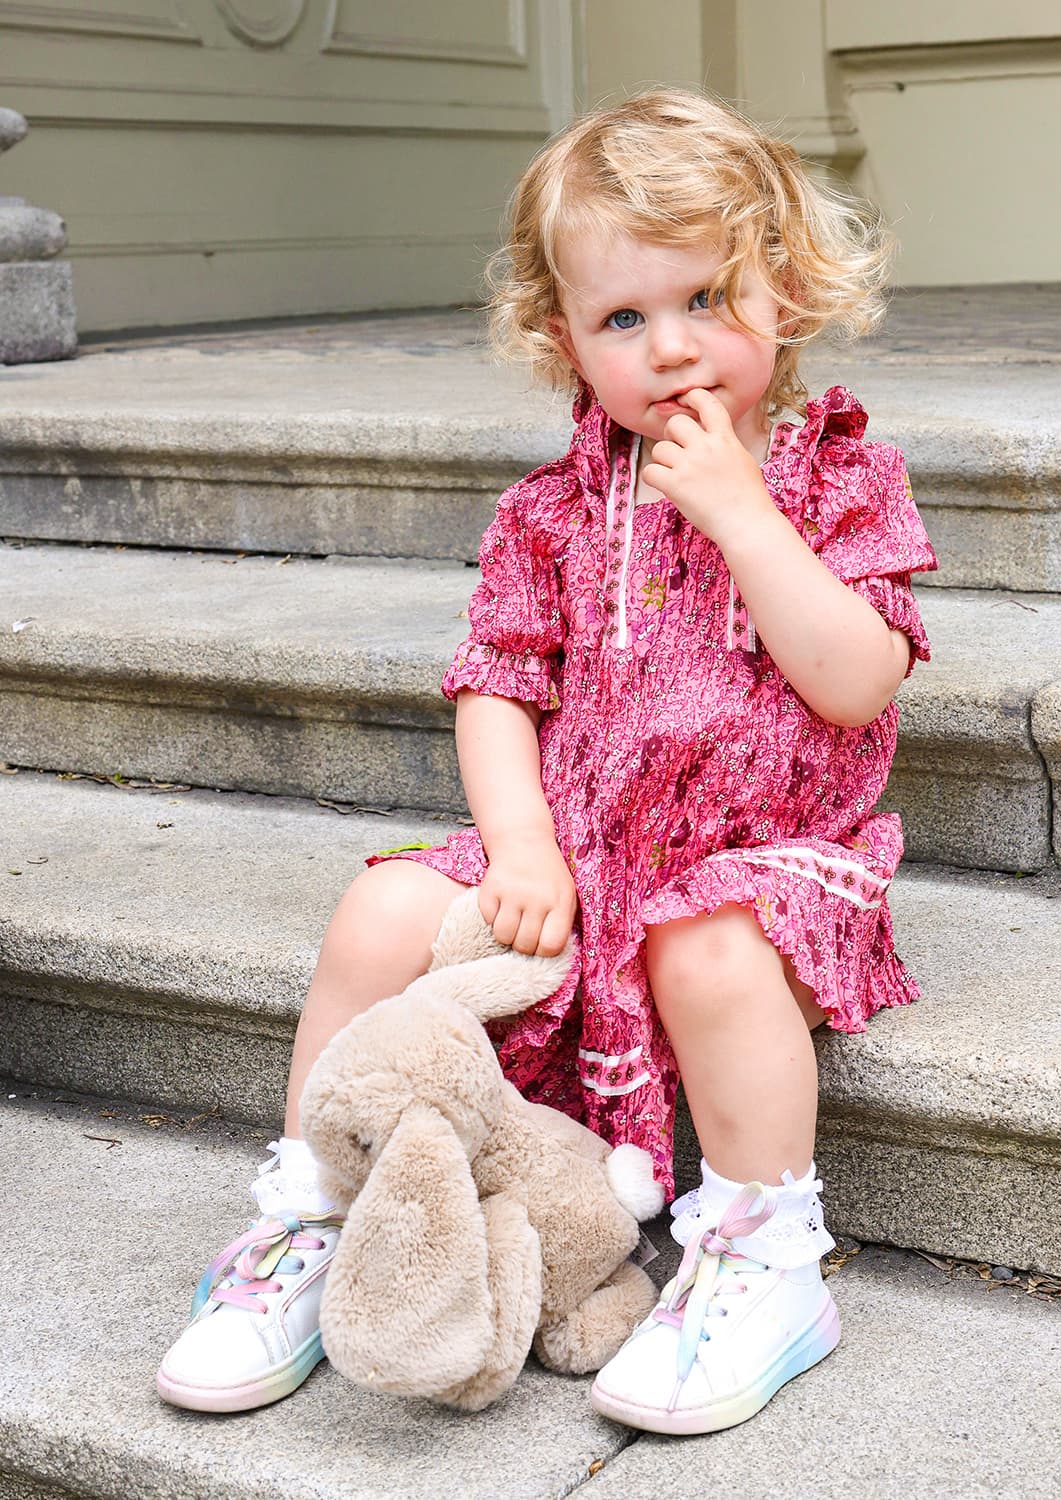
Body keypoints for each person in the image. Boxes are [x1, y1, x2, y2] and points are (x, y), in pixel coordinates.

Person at [157, 86, 937, 1434]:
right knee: (383, 906)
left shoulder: (833, 478)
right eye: (623, 319)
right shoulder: (554, 508)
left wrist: (743, 515)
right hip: (576, 845)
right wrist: (520, 846)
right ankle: (317, 1215)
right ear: (565, 338)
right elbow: (499, 690)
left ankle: (763, 1264)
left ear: (791, 292)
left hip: (764, 863)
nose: (671, 347)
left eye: (706, 299)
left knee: (706, 944)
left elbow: (861, 677)